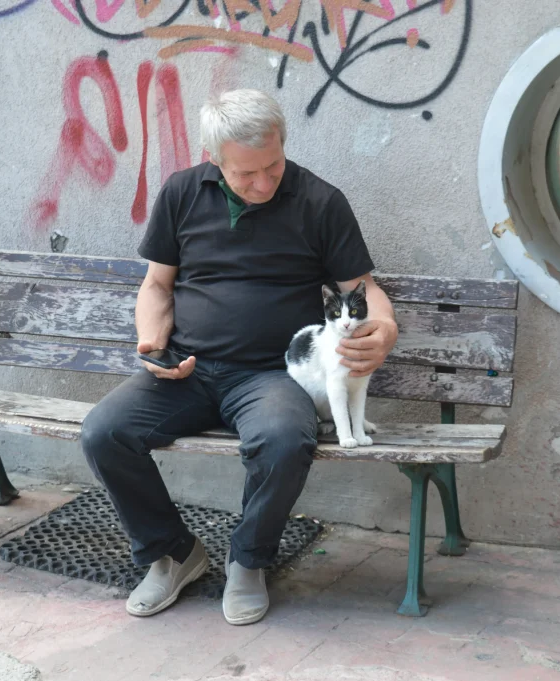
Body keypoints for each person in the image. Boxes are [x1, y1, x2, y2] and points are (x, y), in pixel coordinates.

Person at [80, 89, 398, 625]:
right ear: (214, 159)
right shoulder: (182, 193)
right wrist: (153, 344)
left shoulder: (320, 202)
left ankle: (248, 561)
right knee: (104, 433)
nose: (264, 183)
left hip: (271, 377)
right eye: (246, 173)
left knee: (284, 442)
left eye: (273, 166)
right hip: (187, 371)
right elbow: (157, 286)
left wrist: (384, 330)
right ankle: (172, 554)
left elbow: (363, 287)